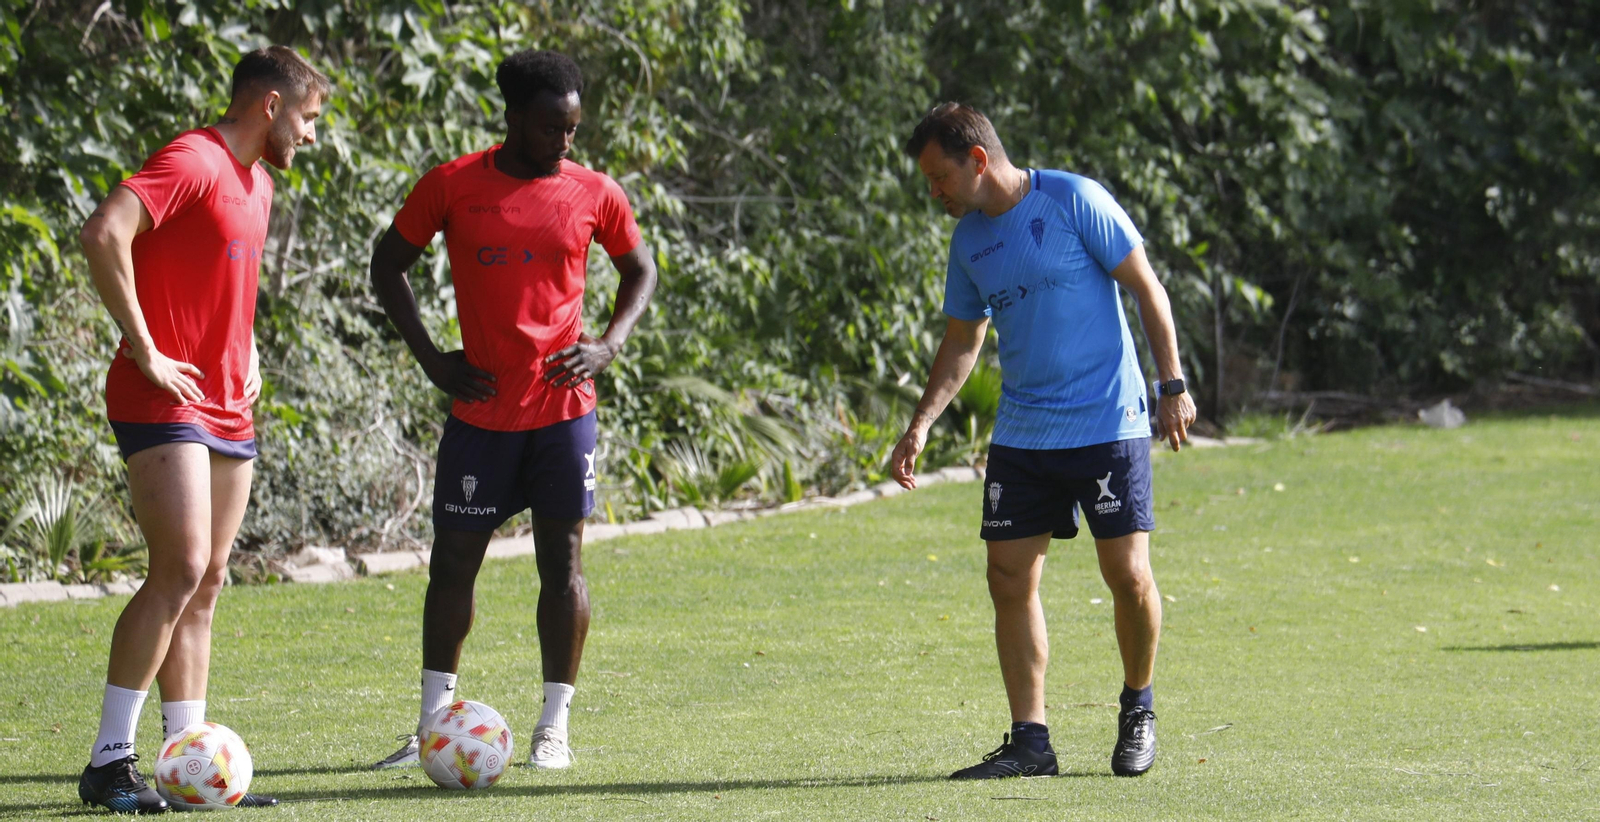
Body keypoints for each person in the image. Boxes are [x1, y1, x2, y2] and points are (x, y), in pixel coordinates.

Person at [368, 49, 657, 772]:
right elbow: (387, 263)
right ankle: (434, 725)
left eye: (574, 127)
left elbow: (641, 269)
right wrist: (434, 360)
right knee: (454, 563)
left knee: (562, 565)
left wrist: (609, 345)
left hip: (563, 413)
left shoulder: (595, 191)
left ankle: (553, 727)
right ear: (514, 118)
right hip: (481, 417)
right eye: (552, 127)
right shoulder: (454, 185)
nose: (566, 142)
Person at [890, 103, 1197, 779]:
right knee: (1007, 577)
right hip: (1025, 433)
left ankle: (1138, 707)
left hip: (1105, 423)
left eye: (939, 177)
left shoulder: (1074, 199)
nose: (934, 193)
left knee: (1128, 576)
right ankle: (1031, 742)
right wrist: (921, 423)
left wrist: (1171, 385)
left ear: (977, 160)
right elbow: (963, 340)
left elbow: (1147, 288)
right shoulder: (969, 242)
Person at [76, 45, 327, 812]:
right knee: (180, 567)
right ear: (270, 106)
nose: (313, 138)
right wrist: (146, 347)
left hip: (227, 403)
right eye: (311, 120)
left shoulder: (260, 186)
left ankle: (190, 765)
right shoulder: (195, 157)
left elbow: (223, 279)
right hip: (164, 396)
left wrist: (246, 346)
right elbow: (103, 233)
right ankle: (107, 763)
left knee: (210, 580)